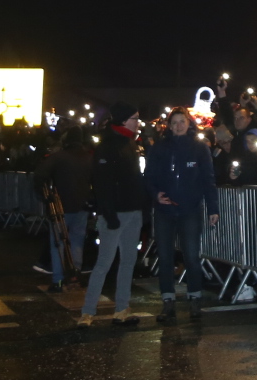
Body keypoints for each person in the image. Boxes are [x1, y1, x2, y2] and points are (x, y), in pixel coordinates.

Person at [146, 108, 219, 324]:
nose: (178, 126)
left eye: (182, 121)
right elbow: (148, 176)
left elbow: (208, 179)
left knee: (192, 256)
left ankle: (195, 297)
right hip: (164, 210)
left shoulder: (199, 148)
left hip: (190, 209)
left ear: (189, 123)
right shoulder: (159, 148)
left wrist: (213, 208)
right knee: (165, 257)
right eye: (175, 122)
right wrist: (156, 195)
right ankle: (167, 300)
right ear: (169, 126)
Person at [80, 102, 149, 327]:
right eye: (135, 118)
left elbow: (135, 179)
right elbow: (102, 182)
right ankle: (87, 312)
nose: (138, 122)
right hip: (115, 213)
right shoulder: (108, 145)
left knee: (127, 261)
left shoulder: (131, 143)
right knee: (104, 263)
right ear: (124, 120)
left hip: (132, 211)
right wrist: (108, 213)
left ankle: (121, 309)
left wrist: (142, 208)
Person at [35, 127, 94, 293]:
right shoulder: (89, 158)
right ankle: (75, 274)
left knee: (58, 243)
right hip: (82, 206)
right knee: (77, 241)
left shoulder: (58, 157)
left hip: (60, 206)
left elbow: (39, 175)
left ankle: (58, 279)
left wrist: (44, 196)